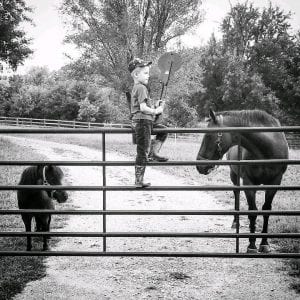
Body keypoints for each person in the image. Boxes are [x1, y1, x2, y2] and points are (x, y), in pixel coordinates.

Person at [128, 57, 168, 188]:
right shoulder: (141, 88)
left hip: (146, 121)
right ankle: (139, 180)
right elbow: (143, 108)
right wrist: (157, 110)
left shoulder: (140, 88)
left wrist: (156, 105)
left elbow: (146, 106)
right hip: (142, 121)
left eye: (148, 73)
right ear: (135, 74)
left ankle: (153, 153)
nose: (148, 76)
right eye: (145, 73)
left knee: (163, 130)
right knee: (142, 151)